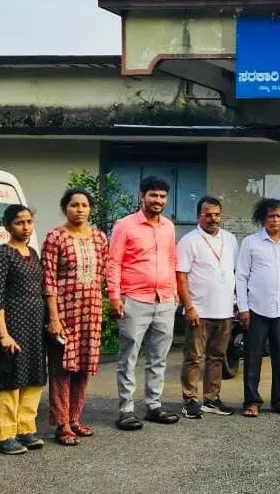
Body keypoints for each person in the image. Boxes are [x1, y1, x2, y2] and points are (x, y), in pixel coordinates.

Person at [107, 176, 181, 430]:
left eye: (162, 196)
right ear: (142, 196)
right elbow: (114, 262)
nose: (158, 200)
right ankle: (126, 410)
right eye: (153, 195)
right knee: (128, 356)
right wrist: (114, 296)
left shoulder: (168, 227)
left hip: (165, 300)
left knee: (159, 357)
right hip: (134, 299)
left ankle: (154, 406)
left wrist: (174, 292)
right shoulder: (125, 225)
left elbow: (171, 260)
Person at [42, 189, 109, 445]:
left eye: (84, 205)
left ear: (90, 209)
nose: (79, 209)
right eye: (74, 205)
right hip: (64, 313)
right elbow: (48, 280)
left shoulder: (99, 237)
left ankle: (75, 418)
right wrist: (54, 318)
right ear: (65, 208)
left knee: (83, 367)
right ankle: (62, 424)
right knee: (62, 368)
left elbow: (101, 273)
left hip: (90, 312)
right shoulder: (55, 237)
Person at [0, 205, 49, 455]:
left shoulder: (32, 252)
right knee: (10, 375)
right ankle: (4, 434)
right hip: (12, 324)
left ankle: (25, 428)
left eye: (28, 222)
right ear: (7, 226)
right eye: (19, 222)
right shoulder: (3, 254)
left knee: (34, 374)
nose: (25, 227)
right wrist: (3, 333)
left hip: (35, 325)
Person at [235, 198, 280, 417]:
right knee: (253, 356)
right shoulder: (251, 243)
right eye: (271, 216)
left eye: (279, 216)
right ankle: (251, 401)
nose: (275, 220)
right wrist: (243, 307)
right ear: (263, 218)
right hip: (256, 309)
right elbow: (241, 276)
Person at [177, 196, 239, 419]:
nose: (213, 219)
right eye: (208, 215)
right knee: (193, 358)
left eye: (217, 214)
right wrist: (189, 307)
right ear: (198, 216)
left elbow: (235, 272)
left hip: (225, 310)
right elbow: (181, 277)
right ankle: (190, 400)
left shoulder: (230, 239)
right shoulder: (189, 241)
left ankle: (212, 399)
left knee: (217, 358)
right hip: (199, 311)